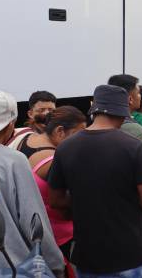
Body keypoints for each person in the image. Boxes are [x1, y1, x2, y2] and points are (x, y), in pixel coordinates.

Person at [48, 85, 142, 277]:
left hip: (89, 255)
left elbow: (55, 200)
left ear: (95, 111)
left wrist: (85, 200)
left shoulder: (65, 148)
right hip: (131, 253)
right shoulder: (132, 147)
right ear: (122, 113)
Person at [0, 90, 65, 277]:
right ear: (10, 125)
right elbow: (33, 220)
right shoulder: (13, 161)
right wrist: (55, 264)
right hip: (9, 268)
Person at [21, 106, 86, 259]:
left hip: (34, 230)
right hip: (58, 237)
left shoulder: (28, 141)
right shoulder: (55, 160)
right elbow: (62, 201)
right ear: (60, 131)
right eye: (78, 134)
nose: (82, 140)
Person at [108, 74, 142, 172]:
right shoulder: (137, 131)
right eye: (139, 93)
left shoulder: (95, 129)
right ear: (130, 99)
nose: (140, 96)